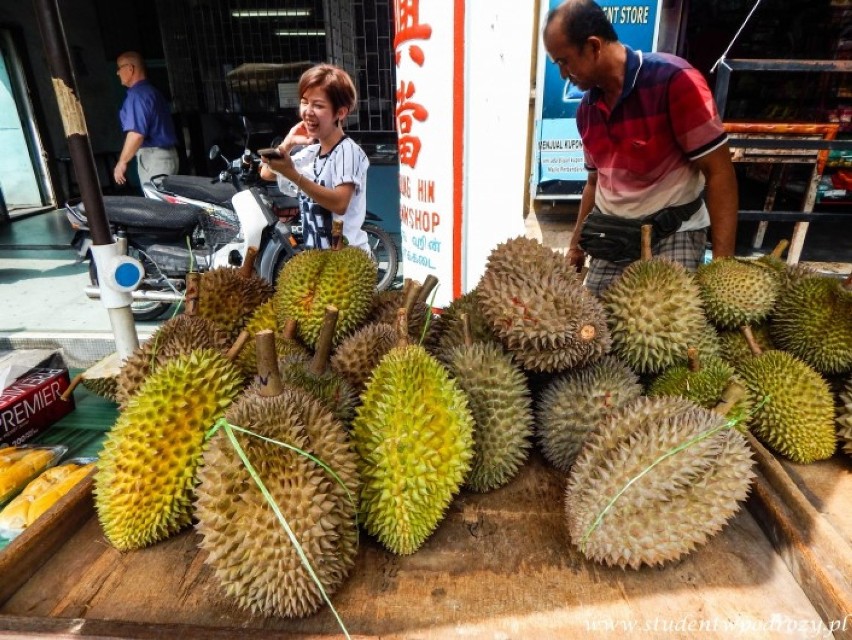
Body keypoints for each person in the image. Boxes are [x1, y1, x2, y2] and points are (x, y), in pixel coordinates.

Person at [543, 0, 739, 296]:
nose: (562, 74)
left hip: (673, 234)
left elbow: (719, 173)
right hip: (613, 236)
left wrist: (724, 270)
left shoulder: (675, 82)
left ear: (594, 46)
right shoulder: (587, 110)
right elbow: (595, 183)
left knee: (666, 337)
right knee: (591, 333)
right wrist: (575, 246)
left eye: (564, 61)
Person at [259, 64, 370, 253]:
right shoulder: (311, 152)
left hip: (345, 261)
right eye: (304, 102)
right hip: (317, 258)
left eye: (318, 105)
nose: (307, 111)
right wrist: (288, 142)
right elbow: (267, 173)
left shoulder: (347, 151)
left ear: (340, 113)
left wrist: (295, 176)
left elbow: (340, 204)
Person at [113, 51, 179, 188]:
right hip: (165, 156)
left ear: (130, 69)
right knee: (165, 204)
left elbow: (136, 134)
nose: (117, 73)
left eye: (119, 68)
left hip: (155, 158)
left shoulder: (137, 96)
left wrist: (122, 162)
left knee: (158, 207)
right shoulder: (151, 92)